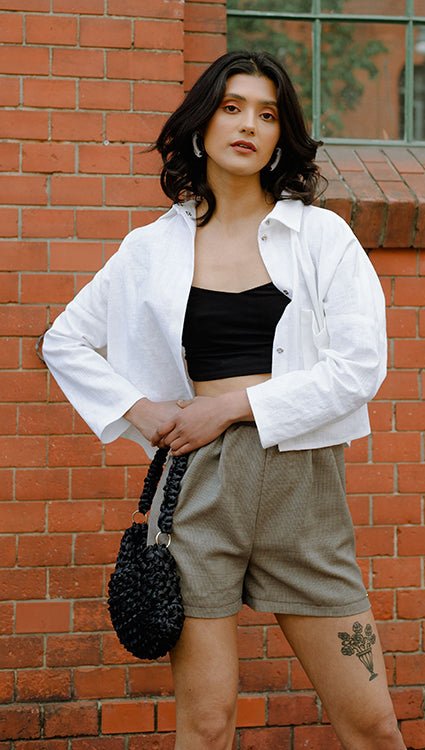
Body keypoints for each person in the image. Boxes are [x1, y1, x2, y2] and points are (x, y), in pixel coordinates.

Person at [43, 50, 406, 750]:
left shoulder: (320, 236)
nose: (248, 125)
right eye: (232, 108)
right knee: (206, 726)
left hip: (303, 488)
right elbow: (65, 340)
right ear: (202, 125)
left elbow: (359, 367)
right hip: (198, 489)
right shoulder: (151, 248)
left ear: (281, 136)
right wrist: (142, 411)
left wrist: (233, 406)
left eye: (267, 115)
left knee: (373, 724)